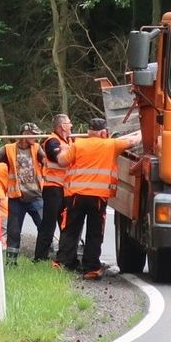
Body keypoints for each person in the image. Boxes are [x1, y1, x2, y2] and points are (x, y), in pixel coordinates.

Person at [54, 118, 141, 280]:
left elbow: (61, 161)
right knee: (95, 233)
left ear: (89, 132)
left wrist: (61, 150)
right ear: (103, 132)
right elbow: (133, 141)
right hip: (98, 197)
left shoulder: (78, 144)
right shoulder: (111, 145)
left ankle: (63, 263)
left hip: (76, 195)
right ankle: (91, 268)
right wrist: (143, 130)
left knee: (71, 230)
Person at [0, 122, 45, 264]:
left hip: (35, 197)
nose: (37, 138)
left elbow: (48, 161)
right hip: (17, 199)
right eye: (35, 135)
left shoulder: (37, 148)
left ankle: (43, 259)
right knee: (13, 232)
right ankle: (11, 262)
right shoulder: (8, 149)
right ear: (25, 134)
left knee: (45, 228)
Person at [33, 113, 74, 261]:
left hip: (65, 189)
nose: (71, 126)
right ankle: (40, 257)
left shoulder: (68, 141)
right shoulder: (52, 142)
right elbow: (59, 158)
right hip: (53, 189)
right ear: (62, 126)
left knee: (66, 225)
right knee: (48, 225)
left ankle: (64, 257)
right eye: (69, 123)